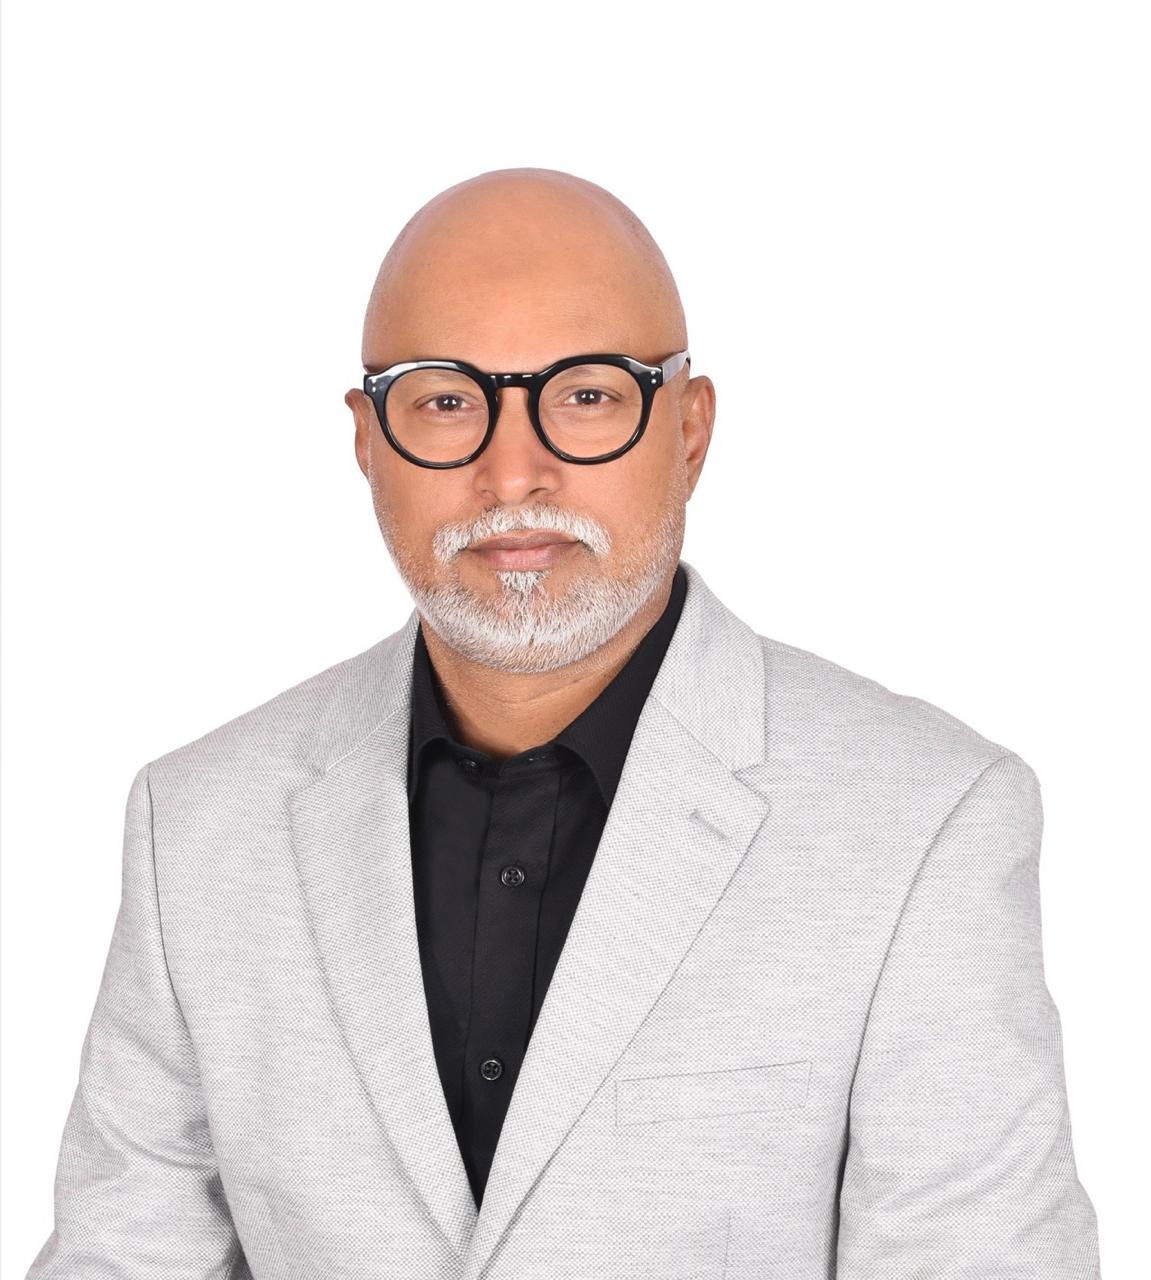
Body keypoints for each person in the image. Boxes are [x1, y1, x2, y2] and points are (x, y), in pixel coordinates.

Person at [26, 168, 1101, 1279]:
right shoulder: (198, 823)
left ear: (689, 429)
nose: (513, 473)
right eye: (446, 400)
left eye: (586, 395)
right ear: (367, 438)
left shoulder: (923, 820)